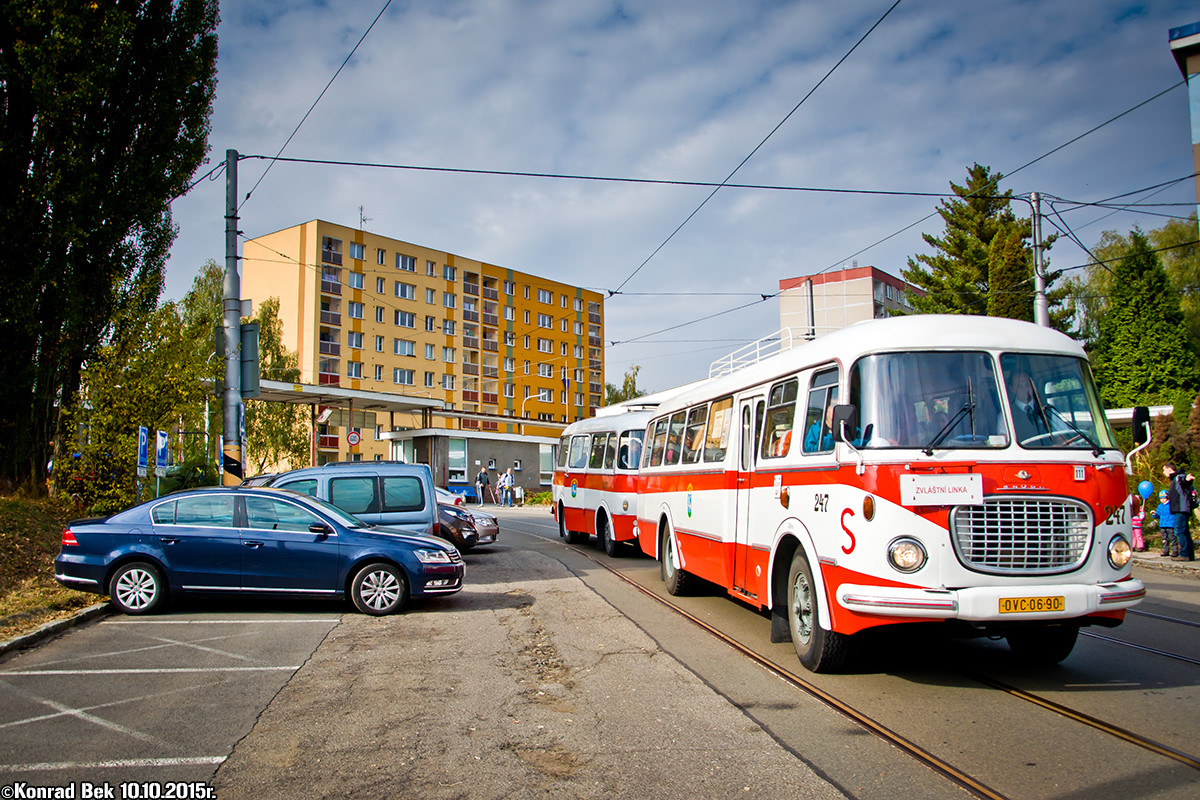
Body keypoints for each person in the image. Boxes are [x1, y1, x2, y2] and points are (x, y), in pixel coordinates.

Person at [1163, 463, 1195, 561]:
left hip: (1181, 508)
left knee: (1179, 531)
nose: (1163, 472)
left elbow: (1184, 482)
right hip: (1182, 508)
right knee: (1185, 531)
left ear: (1169, 470)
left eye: (1164, 470)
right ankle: (1189, 554)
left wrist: (1188, 480)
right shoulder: (1174, 479)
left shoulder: (1178, 477)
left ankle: (1184, 554)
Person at [1153, 489, 1176, 557]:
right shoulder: (1160, 506)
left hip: (1170, 524)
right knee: (1164, 538)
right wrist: (1154, 514)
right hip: (1162, 524)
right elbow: (1158, 514)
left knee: (1172, 537)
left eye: (1163, 498)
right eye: (1161, 499)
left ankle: (1175, 550)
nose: (1162, 500)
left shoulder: (1171, 505)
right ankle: (1166, 550)